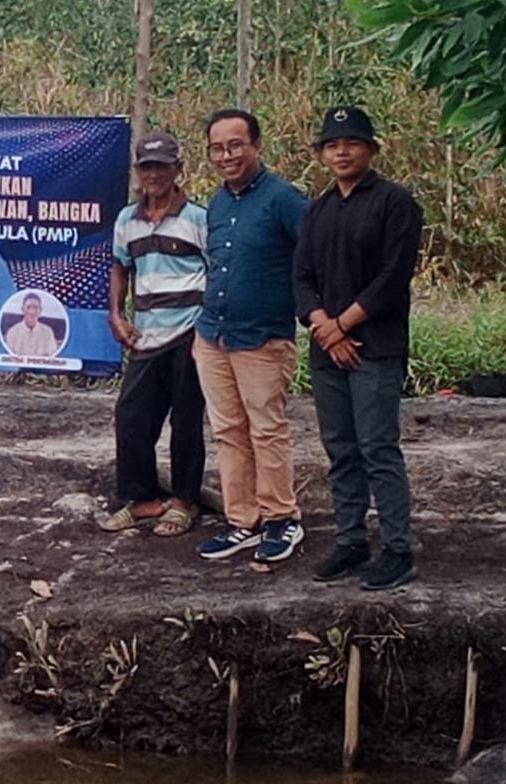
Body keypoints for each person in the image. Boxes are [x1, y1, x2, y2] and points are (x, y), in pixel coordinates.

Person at [294, 107, 423, 591]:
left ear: (372, 148)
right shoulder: (319, 210)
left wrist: (342, 325)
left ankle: (397, 550)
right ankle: (350, 541)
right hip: (328, 350)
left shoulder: (394, 203)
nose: (341, 151)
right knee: (341, 450)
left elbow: (393, 276)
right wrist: (323, 327)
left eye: (351, 142)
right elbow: (301, 277)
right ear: (322, 154)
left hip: (376, 346)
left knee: (377, 448)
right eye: (331, 144)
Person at [192, 109, 309, 563]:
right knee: (228, 432)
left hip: (262, 339)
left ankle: (282, 518)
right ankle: (243, 520)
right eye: (218, 148)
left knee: (266, 430)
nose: (227, 155)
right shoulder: (217, 204)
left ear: (257, 146)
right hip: (213, 337)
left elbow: (313, 258)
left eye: (236, 145)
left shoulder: (285, 200)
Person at [100, 131, 208, 537]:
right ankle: (143, 499)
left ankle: (183, 501)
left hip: (189, 333)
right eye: (147, 167)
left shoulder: (199, 218)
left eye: (163, 166)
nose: (155, 174)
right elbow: (119, 266)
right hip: (146, 334)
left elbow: (217, 271)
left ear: (178, 169)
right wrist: (116, 314)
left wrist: (207, 330)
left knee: (185, 420)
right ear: (138, 172)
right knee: (131, 416)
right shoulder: (128, 219)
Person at [3, 293, 60, 357]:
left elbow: (52, 356)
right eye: (28, 307)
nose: (32, 312)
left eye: (35, 308)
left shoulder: (48, 332)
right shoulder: (12, 332)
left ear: (40, 310)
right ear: (22, 309)